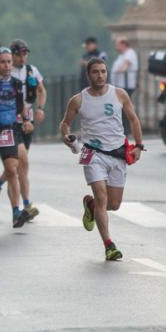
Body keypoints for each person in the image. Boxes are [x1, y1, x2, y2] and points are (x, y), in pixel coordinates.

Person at [60, 57, 143, 261]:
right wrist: (67, 137)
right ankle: (109, 245)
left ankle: (91, 206)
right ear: (88, 75)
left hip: (117, 153)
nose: (100, 75)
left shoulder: (119, 94)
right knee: (102, 196)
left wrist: (138, 146)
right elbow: (65, 124)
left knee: (113, 204)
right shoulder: (78, 100)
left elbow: (133, 119)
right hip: (92, 153)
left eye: (103, 71)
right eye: (95, 72)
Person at [0, 47, 33, 228]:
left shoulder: (16, 84)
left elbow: (21, 107)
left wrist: (26, 120)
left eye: (9, 62)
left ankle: (16, 212)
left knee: (12, 169)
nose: (7, 65)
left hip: (8, 131)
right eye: (2, 62)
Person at [9, 39, 46, 220]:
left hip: (28, 121)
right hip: (12, 121)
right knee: (20, 159)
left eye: (25, 54)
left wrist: (40, 108)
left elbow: (41, 90)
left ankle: (24, 203)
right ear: (12, 54)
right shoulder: (7, 71)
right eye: (18, 54)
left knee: (21, 165)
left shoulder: (31, 70)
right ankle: (21, 206)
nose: (22, 57)